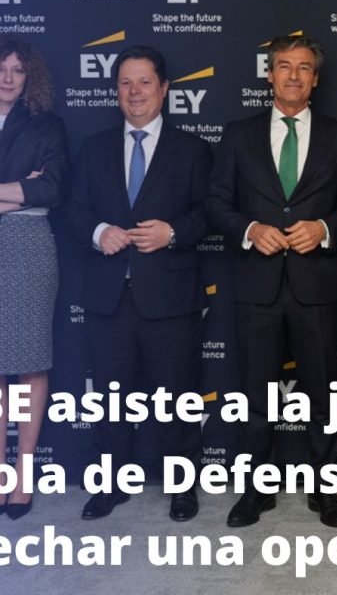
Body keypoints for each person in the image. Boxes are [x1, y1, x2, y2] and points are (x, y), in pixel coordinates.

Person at [206, 34, 337, 529]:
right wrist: (251, 230)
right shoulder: (238, 134)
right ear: (269, 75)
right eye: (283, 66)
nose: (293, 75)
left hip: (315, 284)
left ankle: (325, 489)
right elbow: (216, 202)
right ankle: (257, 489)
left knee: (323, 394)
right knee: (256, 394)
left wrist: (323, 229)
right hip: (256, 285)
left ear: (315, 79)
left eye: (303, 68)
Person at [66, 45, 211, 522]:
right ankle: (110, 484)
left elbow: (209, 213)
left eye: (144, 82)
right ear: (116, 91)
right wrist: (98, 232)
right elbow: (74, 209)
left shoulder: (192, 149)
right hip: (108, 298)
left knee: (177, 399)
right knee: (110, 400)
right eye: (125, 83)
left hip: (170, 297)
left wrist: (173, 233)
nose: (134, 92)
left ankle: (182, 487)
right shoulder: (94, 147)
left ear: (163, 89)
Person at [0, 36, 69, 520]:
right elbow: (33, 187)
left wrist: (25, 192)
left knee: (28, 363)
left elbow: (53, 189)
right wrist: (22, 187)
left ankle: (23, 474)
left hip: (27, 244)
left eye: (18, 70)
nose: (8, 78)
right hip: (20, 220)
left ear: (31, 78)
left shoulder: (47, 124)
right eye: (1, 68)